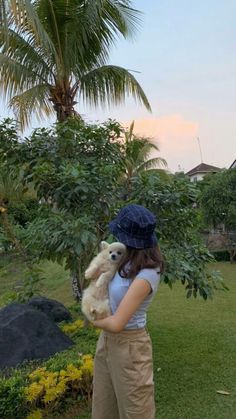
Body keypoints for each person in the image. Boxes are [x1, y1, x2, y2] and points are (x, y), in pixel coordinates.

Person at [92, 204, 164, 419]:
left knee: (136, 411)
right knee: (104, 407)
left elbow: (117, 323)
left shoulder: (148, 275)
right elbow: (98, 279)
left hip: (131, 347)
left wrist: (89, 317)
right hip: (107, 342)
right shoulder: (123, 258)